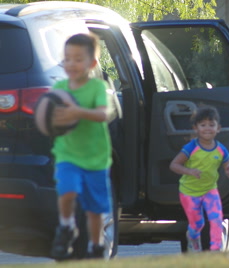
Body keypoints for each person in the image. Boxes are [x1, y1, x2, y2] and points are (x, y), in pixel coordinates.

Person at [50, 33, 113, 259]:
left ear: (92, 63)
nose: (71, 64)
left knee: (94, 211)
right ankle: (66, 226)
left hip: (95, 158)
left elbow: (103, 114)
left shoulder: (97, 87)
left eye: (78, 59)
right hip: (67, 154)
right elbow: (48, 115)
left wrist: (78, 112)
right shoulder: (58, 87)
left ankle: (96, 247)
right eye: (67, 59)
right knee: (67, 191)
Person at [170, 106, 229, 252]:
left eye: (211, 125)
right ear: (196, 128)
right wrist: (189, 171)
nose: (207, 128)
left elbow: (228, 166)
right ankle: (192, 237)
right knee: (197, 223)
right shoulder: (191, 147)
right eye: (203, 125)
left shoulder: (221, 149)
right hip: (189, 192)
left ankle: (215, 248)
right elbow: (174, 165)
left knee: (216, 218)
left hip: (209, 190)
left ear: (218, 128)